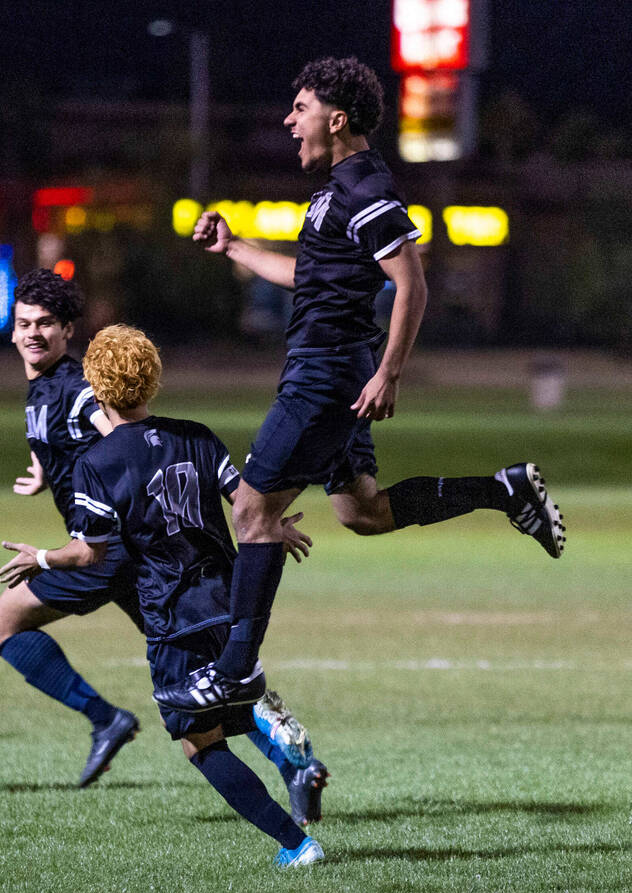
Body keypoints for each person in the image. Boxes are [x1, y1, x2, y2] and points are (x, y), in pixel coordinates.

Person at [167, 56, 566, 712]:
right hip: (331, 367)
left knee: (252, 510)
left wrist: (390, 371)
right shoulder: (334, 190)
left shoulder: (364, 190)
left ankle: (235, 671)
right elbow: (310, 278)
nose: (289, 121)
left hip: (325, 375)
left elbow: (412, 281)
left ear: (337, 117)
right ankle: (504, 490)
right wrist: (235, 247)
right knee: (363, 511)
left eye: (300, 109)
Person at [0, 270, 327, 819]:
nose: (33, 333)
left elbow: (122, 440)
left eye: (45, 324)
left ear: (67, 329)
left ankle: (105, 718)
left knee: (2, 625)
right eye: (24, 323)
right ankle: (296, 764)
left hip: (106, 550)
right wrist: (46, 473)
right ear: (11, 329)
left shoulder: (78, 391)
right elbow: (74, 446)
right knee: (210, 672)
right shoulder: (44, 389)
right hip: (141, 559)